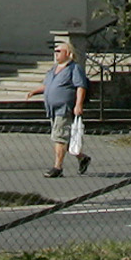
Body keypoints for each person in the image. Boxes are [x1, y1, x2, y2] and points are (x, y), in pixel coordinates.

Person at [34, 33, 88, 178]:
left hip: (64, 108)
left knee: (59, 137)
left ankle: (57, 167)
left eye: (59, 51)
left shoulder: (74, 68)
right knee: (64, 137)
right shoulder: (53, 69)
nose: (56, 54)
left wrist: (78, 105)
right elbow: (47, 85)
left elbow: (81, 86)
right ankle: (82, 158)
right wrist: (34, 91)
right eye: (55, 51)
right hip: (52, 109)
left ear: (68, 53)